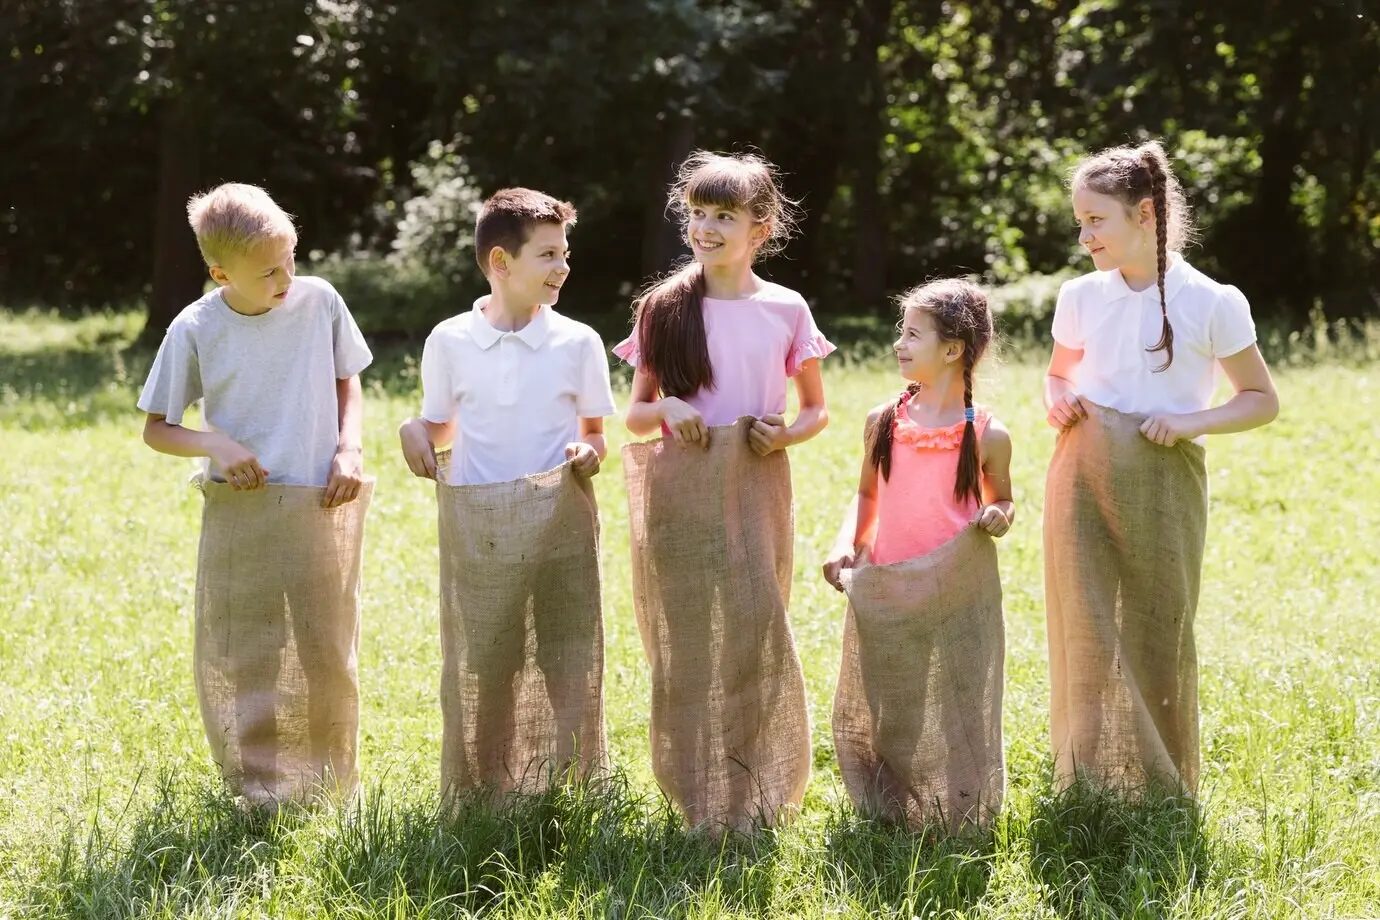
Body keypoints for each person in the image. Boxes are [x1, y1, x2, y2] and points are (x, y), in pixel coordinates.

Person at [1043, 139, 1279, 794]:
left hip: (1164, 474)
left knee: (1158, 623)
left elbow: (1262, 399)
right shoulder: (1081, 296)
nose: (1085, 235)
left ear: (1145, 214)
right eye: (1080, 222)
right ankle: (1086, 777)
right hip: (1081, 472)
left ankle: (1160, 782)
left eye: (1097, 220)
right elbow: (1059, 374)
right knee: (1084, 620)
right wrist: (1058, 400)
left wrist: (1191, 421)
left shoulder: (1212, 302)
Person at [615, 150, 834, 831]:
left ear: (760, 229)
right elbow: (635, 413)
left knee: (753, 625)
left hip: (755, 483)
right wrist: (670, 411)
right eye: (697, 214)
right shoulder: (663, 307)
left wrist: (786, 435)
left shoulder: (785, 309)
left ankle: (761, 780)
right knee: (685, 637)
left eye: (724, 216)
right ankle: (695, 788)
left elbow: (816, 410)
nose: (705, 228)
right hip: (680, 486)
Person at [137, 182, 374, 806]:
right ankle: (257, 787)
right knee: (249, 649)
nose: (287, 277)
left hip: (322, 499)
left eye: (291, 258)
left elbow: (349, 383)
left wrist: (348, 448)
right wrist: (216, 446)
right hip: (242, 508)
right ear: (221, 273)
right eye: (269, 270)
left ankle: (328, 784)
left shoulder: (320, 301)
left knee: (326, 645)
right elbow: (157, 429)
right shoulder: (195, 327)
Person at [398, 187, 616, 798]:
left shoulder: (578, 342)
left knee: (566, 657)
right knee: (488, 659)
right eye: (548, 255)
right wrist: (412, 429)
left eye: (565, 253)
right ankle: (486, 785)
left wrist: (587, 453)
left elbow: (597, 433)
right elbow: (439, 423)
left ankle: (570, 785)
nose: (563, 267)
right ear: (501, 262)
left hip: (559, 523)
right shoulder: (449, 339)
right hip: (483, 523)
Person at [822, 278, 1012, 829]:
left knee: (960, 701)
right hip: (890, 582)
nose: (898, 344)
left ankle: (960, 810)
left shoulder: (987, 434)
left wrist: (999, 514)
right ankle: (891, 807)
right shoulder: (884, 421)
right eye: (899, 332)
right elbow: (867, 494)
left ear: (952, 349)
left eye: (912, 334)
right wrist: (847, 544)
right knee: (892, 701)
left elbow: (1002, 497)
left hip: (957, 590)